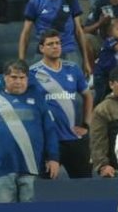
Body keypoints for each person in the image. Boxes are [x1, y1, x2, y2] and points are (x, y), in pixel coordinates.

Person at [0, 60, 59, 203]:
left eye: (22, 78)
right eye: (14, 77)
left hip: (31, 166)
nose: (18, 81)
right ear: (5, 78)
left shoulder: (38, 101)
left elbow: (50, 131)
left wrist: (53, 158)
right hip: (2, 168)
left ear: (27, 79)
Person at [30, 30, 92, 178]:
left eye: (58, 43)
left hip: (74, 139)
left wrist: (86, 124)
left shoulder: (73, 68)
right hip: (48, 140)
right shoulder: (33, 73)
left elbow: (88, 96)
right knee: (47, 187)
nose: (55, 46)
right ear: (41, 48)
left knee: (85, 186)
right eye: (50, 44)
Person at [18, 0, 89, 72]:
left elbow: (79, 31)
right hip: (44, 52)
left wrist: (86, 60)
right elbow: (25, 33)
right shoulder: (35, 2)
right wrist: (21, 60)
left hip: (69, 50)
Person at [89, 66, 118, 178]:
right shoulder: (103, 109)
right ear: (111, 85)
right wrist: (103, 165)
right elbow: (97, 141)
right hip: (117, 169)